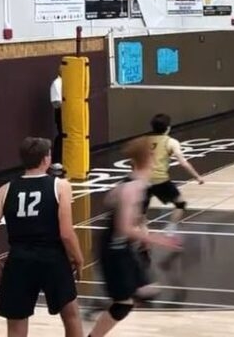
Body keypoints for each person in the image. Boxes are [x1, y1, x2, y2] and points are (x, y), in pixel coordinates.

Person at [0, 138, 84, 337]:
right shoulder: (60, 185)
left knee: (16, 327)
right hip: (52, 259)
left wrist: (0, 271)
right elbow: (67, 234)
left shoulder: (5, 190)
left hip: (19, 261)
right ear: (46, 159)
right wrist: (78, 259)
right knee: (71, 317)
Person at [87, 138, 181, 337]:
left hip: (122, 248)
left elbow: (117, 207)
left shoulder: (134, 184)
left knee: (147, 291)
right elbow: (124, 226)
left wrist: (142, 234)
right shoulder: (133, 188)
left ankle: (102, 305)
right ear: (149, 159)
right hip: (113, 250)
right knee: (123, 304)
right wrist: (157, 239)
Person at [146, 114, 204, 228]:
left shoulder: (144, 141)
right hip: (159, 179)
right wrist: (197, 177)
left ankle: (143, 237)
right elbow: (183, 163)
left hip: (142, 179)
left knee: (141, 212)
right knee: (180, 204)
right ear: (168, 127)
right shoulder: (171, 142)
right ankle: (171, 229)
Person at [50, 74, 65, 176]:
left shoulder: (70, 82)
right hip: (62, 111)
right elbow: (56, 102)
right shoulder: (57, 83)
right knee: (62, 134)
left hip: (70, 111)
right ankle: (56, 160)